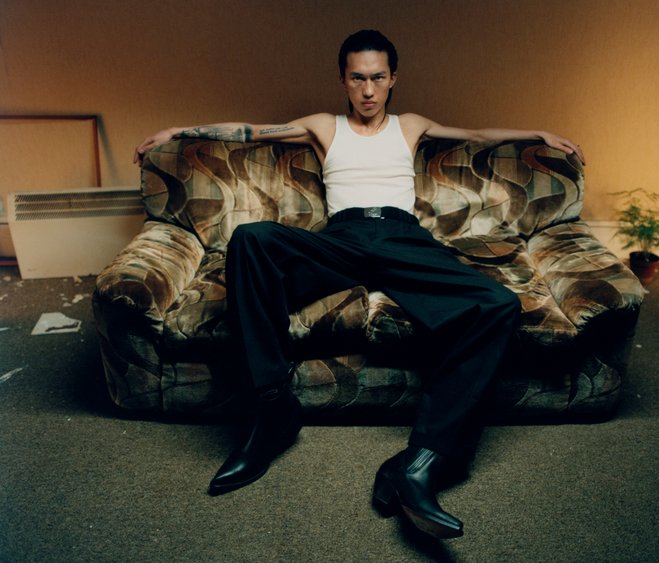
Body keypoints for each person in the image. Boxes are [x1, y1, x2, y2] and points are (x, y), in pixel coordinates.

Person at [134, 29, 585, 540]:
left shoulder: (410, 125)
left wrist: (537, 134)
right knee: (251, 239)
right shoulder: (322, 126)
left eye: (377, 78)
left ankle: (421, 461)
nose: (367, 90)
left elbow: (478, 135)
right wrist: (179, 130)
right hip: (342, 240)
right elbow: (248, 131)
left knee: (497, 304)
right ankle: (272, 411)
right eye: (357, 79)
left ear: (393, 79)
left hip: (402, 239)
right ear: (343, 80)